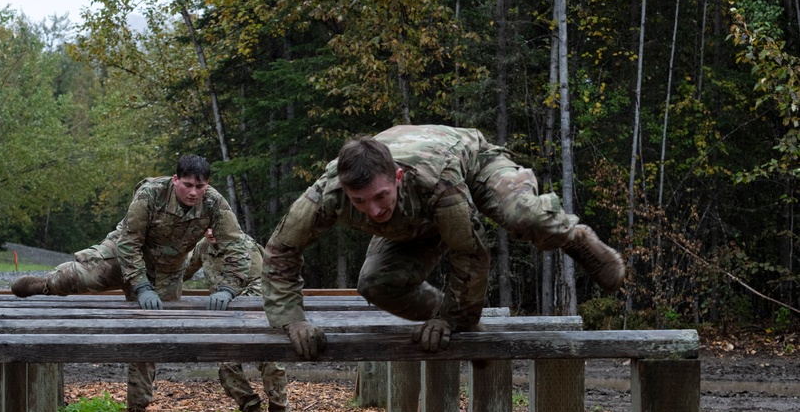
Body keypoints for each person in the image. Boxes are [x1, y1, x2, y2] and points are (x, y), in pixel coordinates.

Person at [262, 124, 627, 359]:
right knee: (376, 284)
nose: (372, 211)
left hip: (473, 166)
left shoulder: (437, 182)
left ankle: (571, 233)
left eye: (380, 196)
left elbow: (470, 252)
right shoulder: (326, 195)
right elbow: (281, 250)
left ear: (398, 178)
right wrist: (291, 319)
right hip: (415, 220)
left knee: (524, 217)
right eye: (359, 202)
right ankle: (442, 312)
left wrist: (457, 321)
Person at [11, 155, 251, 412]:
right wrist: (140, 286)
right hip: (122, 255)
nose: (193, 192)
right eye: (187, 185)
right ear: (175, 180)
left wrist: (228, 288)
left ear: (207, 184)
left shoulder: (214, 203)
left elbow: (238, 247)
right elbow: (129, 242)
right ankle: (44, 284)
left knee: (148, 346)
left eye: (199, 186)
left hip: (166, 272)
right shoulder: (150, 193)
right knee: (79, 278)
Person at [184, 228, 295, 412]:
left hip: (258, 316)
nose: (210, 232)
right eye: (205, 227)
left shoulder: (244, 244)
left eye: (215, 226)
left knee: (271, 362)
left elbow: (260, 283)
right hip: (228, 321)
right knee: (228, 366)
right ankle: (253, 410)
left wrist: (232, 303)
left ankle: (281, 411)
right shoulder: (203, 247)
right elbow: (184, 271)